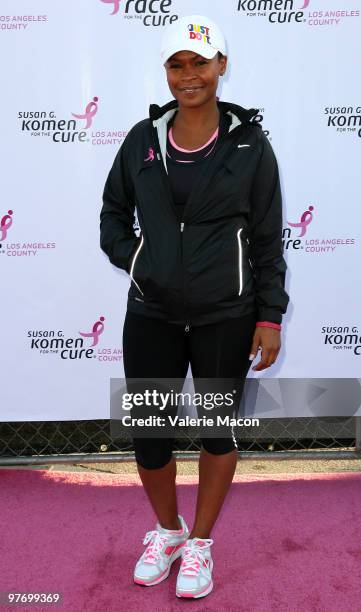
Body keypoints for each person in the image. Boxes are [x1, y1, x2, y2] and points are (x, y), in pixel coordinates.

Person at [100, 14, 289, 600]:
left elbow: (265, 238)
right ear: (166, 72)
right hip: (151, 312)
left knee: (213, 431)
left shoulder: (251, 147)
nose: (189, 75)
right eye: (177, 65)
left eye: (200, 63)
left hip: (223, 316)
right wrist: (142, 265)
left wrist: (269, 315)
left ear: (221, 66)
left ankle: (201, 542)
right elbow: (112, 216)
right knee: (150, 436)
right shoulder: (141, 140)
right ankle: (168, 531)